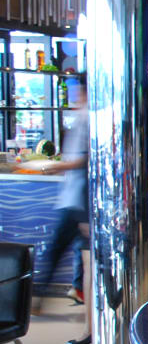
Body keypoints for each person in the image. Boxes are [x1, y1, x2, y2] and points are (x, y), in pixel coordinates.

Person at [32, 100, 90, 332]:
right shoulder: (81, 118)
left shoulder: (86, 117)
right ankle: (76, 290)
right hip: (76, 200)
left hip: (78, 201)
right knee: (79, 252)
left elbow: (85, 160)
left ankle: (41, 298)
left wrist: (56, 167)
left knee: (60, 250)